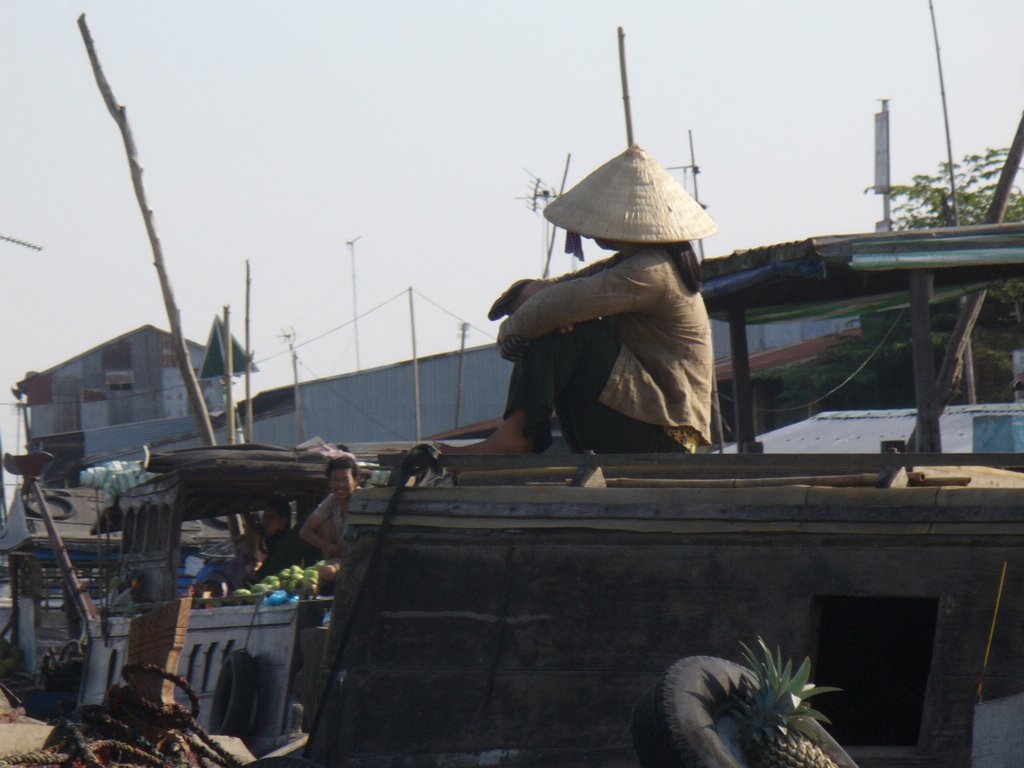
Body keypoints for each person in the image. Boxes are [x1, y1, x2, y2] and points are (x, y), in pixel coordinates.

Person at [443, 144, 718, 456]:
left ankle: (516, 437)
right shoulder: (632, 265)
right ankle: (518, 434)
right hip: (645, 423)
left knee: (569, 327)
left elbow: (555, 305)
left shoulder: (651, 272)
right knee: (561, 322)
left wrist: (510, 332)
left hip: (671, 436)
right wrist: (520, 295)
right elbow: (560, 289)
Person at [299, 453, 359, 588]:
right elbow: (305, 531)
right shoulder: (332, 500)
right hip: (337, 558)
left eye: (345, 480)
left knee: (324, 573)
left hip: (358, 559)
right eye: (335, 480)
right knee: (324, 523)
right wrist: (327, 546)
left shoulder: (362, 501)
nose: (340, 485)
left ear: (355, 481)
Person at [248, 497, 321, 581]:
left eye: (271, 517)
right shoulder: (270, 545)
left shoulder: (289, 544)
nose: (266, 521)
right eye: (265, 517)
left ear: (283, 521)